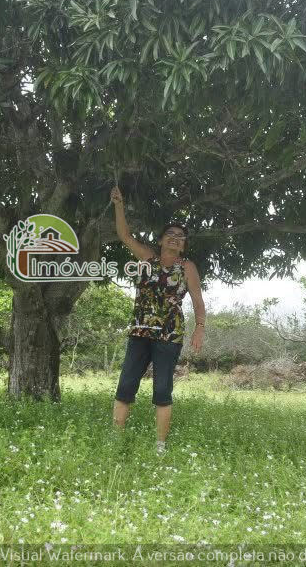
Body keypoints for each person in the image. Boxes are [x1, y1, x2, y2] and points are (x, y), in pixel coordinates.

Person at [110, 185, 205, 454]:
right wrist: (119, 204)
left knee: (162, 389)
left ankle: (160, 446)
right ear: (161, 239)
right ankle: (116, 440)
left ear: (184, 245)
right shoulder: (147, 258)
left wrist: (200, 327)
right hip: (140, 332)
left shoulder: (187, 267)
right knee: (126, 386)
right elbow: (124, 235)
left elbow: (197, 300)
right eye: (170, 235)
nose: (175, 239)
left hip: (169, 335)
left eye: (181, 237)